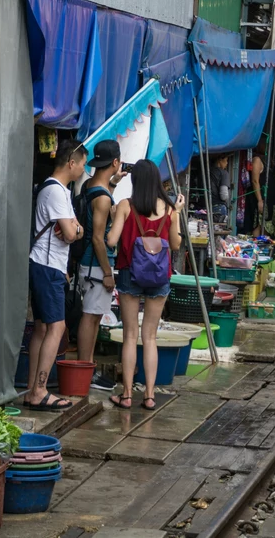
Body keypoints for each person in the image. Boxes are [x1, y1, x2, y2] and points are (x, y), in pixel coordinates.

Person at [106, 160, 184, 411]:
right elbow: (175, 245)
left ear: (135, 181)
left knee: (130, 335)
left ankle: (127, 395)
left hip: (130, 274)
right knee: (150, 336)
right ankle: (149, 396)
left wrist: (113, 216)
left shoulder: (126, 206)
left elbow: (111, 240)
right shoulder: (170, 209)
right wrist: (178, 216)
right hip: (160, 277)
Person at [26, 140, 85, 411]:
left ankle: (31, 389)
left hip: (42, 263)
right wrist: (72, 229)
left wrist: (73, 229)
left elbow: (75, 229)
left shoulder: (56, 190)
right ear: (71, 163)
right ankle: (39, 390)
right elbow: (73, 233)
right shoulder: (56, 192)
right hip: (49, 265)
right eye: (83, 163)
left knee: (41, 327)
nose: (84, 168)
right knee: (57, 328)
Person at [76, 140, 124, 392]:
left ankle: (88, 368)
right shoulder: (103, 198)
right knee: (91, 316)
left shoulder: (89, 185)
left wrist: (114, 183)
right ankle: (84, 369)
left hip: (89, 262)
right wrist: (107, 272)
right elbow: (97, 237)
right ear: (115, 162)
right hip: (95, 265)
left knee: (94, 317)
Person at [242, 141, 267, 236]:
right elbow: (255, 181)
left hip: (258, 197)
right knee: (256, 224)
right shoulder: (256, 160)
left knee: (259, 224)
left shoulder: (260, 159)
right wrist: (260, 200)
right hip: (256, 197)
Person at [210, 155, 231, 221]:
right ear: (220, 160)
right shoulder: (224, 173)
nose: (227, 163)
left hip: (204, 208)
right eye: (226, 160)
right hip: (218, 209)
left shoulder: (207, 171)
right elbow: (224, 196)